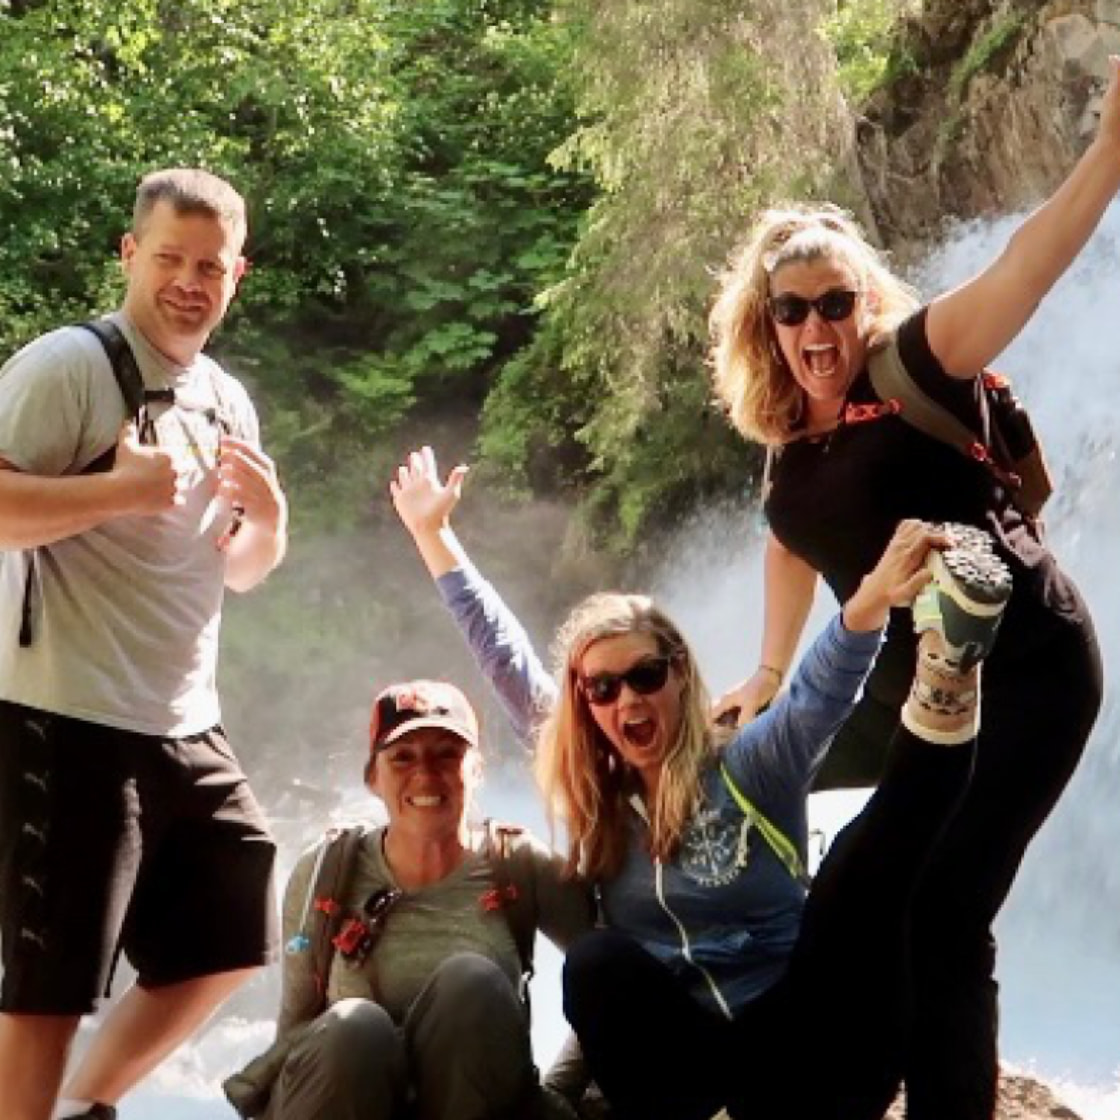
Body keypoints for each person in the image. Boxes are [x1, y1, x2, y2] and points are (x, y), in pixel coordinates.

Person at [705, 58, 1117, 1120]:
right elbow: (789, 540)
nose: (815, 329)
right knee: (850, 877)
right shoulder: (787, 435)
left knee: (944, 909)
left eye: (834, 303)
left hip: (1027, 668)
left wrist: (1109, 155)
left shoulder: (917, 363)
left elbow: (1024, 269)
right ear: (765, 324)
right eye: (791, 310)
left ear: (862, 302)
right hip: (914, 691)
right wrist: (762, 667)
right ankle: (833, 1082)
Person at [391, 447, 1012, 1120]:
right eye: (602, 687)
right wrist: (434, 534)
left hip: (814, 1046)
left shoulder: (746, 764)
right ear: (587, 706)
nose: (626, 699)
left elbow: (815, 695)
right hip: (696, 1073)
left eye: (646, 675)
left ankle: (949, 673)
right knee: (596, 961)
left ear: (679, 675)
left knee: (861, 866)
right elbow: (504, 657)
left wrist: (869, 600)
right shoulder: (593, 790)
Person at [0, 168, 288, 1120]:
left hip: (182, 720)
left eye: (210, 265)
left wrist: (272, 525)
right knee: (49, 991)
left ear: (236, 275)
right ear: (130, 255)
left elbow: (238, 569)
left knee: (238, 930)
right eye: (170, 257)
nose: (189, 282)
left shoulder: (224, 399)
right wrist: (117, 492)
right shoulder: (69, 367)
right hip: (63, 714)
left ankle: (86, 1106)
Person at [224, 678, 595, 1120]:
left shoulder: (518, 865)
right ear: (372, 778)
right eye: (403, 757)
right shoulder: (326, 872)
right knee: (354, 1029)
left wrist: (563, 1089)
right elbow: (298, 1030)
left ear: (476, 769)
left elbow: (609, 986)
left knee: (472, 984)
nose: (425, 773)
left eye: (446, 753)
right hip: (347, 1100)